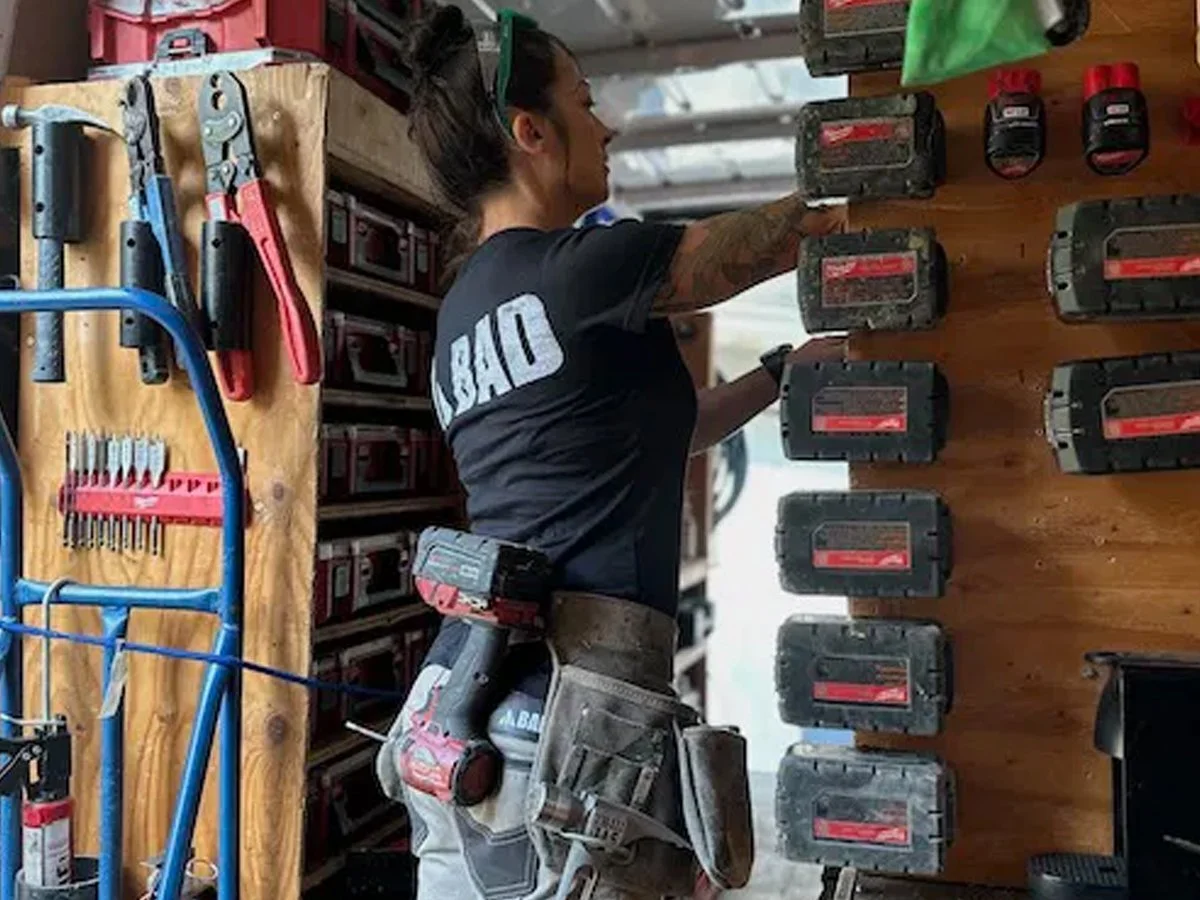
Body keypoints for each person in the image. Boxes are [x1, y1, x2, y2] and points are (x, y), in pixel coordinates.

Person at [375, 6, 846, 899]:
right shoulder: (583, 269)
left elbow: (649, 437)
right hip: (574, 721)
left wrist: (779, 374)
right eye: (584, 102)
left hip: (469, 703)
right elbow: (759, 247)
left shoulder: (460, 314)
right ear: (530, 133)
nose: (607, 124)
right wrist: (872, 176)